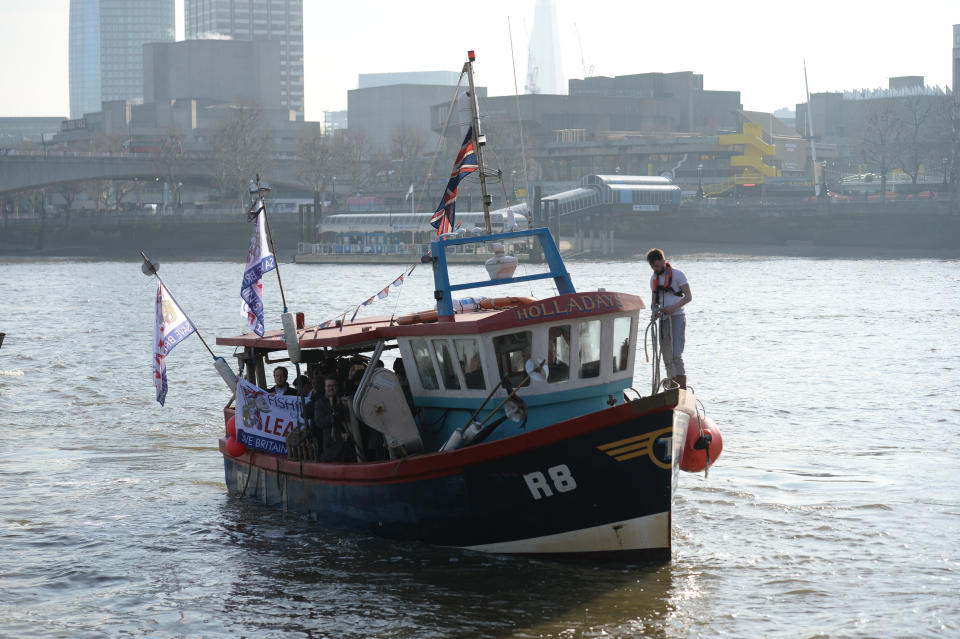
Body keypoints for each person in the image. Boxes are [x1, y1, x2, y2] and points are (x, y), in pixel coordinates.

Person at [646, 248, 692, 389]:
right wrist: (655, 312)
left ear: (663, 261)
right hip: (663, 320)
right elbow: (654, 302)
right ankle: (672, 385)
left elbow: (689, 297)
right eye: (653, 266)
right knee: (666, 354)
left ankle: (682, 387)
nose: (655, 269)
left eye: (657, 266)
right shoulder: (654, 279)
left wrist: (673, 308)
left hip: (677, 317)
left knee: (675, 353)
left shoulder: (678, 275)